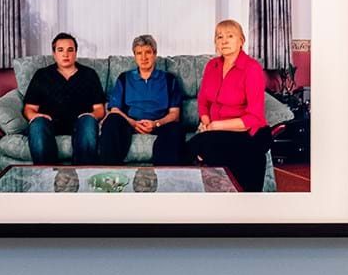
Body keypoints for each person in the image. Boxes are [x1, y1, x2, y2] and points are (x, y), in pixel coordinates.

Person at [186, 19, 273, 192]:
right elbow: (203, 100)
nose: (224, 41)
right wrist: (205, 121)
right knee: (196, 146)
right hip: (216, 132)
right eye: (219, 37)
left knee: (199, 145)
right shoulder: (212, 65)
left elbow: (254, 117)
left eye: (230, 36)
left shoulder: (252, 68)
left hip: (249, 133)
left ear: (241, 40)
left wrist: (215, 126)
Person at [97, 34, 186, 165]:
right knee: (112, 120)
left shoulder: (169, 79)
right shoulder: (124, 78)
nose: (143, 57)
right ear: (134, 56)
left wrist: (156, 123)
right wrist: (133, 123)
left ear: (155, 54)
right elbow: (115, 109)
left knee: (176, 129)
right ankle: (112, 174)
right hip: (130, 123)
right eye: (139, 53)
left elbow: (175, 114)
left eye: (148, 52)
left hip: (160, 124)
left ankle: (164, 178)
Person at [22, 32, 106, 165]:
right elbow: (29, 109)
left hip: (80, 123)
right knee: (37, 124)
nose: (65, 54)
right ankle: (48, 178)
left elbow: (100, 109)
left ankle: (84, 177)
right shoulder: (42, 75)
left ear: (76, 53)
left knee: (89, 122)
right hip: (48, 123)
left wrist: (91, 115)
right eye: (60, 50)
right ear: (54, 54)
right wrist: (36, 116)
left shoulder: (89, 74)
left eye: (70, 50)